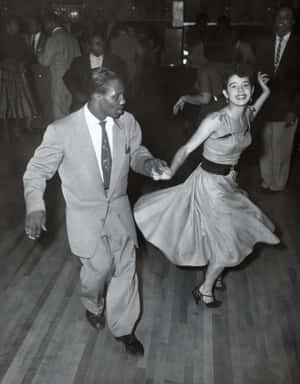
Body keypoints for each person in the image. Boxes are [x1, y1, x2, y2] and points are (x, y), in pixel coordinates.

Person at [23, 68, 168, 356]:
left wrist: (149, 163)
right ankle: (92, 304)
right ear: (95, 96)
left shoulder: (127, 123)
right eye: (117, 95)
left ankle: (123, 328)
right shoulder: (61, 130)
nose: (124, 101)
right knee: (98, 269)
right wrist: (35, 207)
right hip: (85, 217)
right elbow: (36, 171)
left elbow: (136, 152)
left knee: (126, 268)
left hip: (119, 210)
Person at [134, 64, 280, 307]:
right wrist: (171, 170)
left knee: (223, 232)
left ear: (251, 90)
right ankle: (205, 289)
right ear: (225, 93)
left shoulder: (246, 114)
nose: (240, 91)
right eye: (234, 86)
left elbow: (256, 107)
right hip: (209, 184)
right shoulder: (215, 120)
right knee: (230, 241)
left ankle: (215, 270)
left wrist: (265, 91)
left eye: (245, 86)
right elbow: (187, 148)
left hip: (229, 183)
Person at [256, 5, 300, 191]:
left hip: (287, 106)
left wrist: (295, 109)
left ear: (293, 21)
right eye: (279, 17)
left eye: (286, 17)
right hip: (264, 105)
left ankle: (279, 183)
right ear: (274, 20)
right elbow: (255, 74)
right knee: (265, 146)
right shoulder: (264, 43)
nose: (282, 21)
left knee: (282, 148)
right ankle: (267, 179)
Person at [63, 29, 126, 111]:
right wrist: (76, 93)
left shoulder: (115, 61)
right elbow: (68, 78)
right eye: (97, 43)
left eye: (102, 43)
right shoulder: (79, 61)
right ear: (89, 45)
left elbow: (121, 81)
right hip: (84, 102)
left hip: (106, 103)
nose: (101, 46)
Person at [38, 13, 81, 121]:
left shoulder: (53, 39)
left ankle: (61, 136)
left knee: (59, 112)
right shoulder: (72, 38)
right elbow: (79, 60)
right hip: (72, 79)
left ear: (51, 23)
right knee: (68, 110)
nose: (45, 27)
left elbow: (44, 62)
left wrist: (39, 52)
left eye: (46, 24)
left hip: (58, 79)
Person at [0, 16, 38, 139]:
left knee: (19, 103)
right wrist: (4, 65)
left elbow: (29, 56)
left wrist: (23, 63)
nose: (17, 27)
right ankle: (5, 131)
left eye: (17, 25)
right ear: (8, 26)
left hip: (18, 76)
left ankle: (17, 129)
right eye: (14, 25)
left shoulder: (21, 40)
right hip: (3, 76)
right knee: (4, 104)